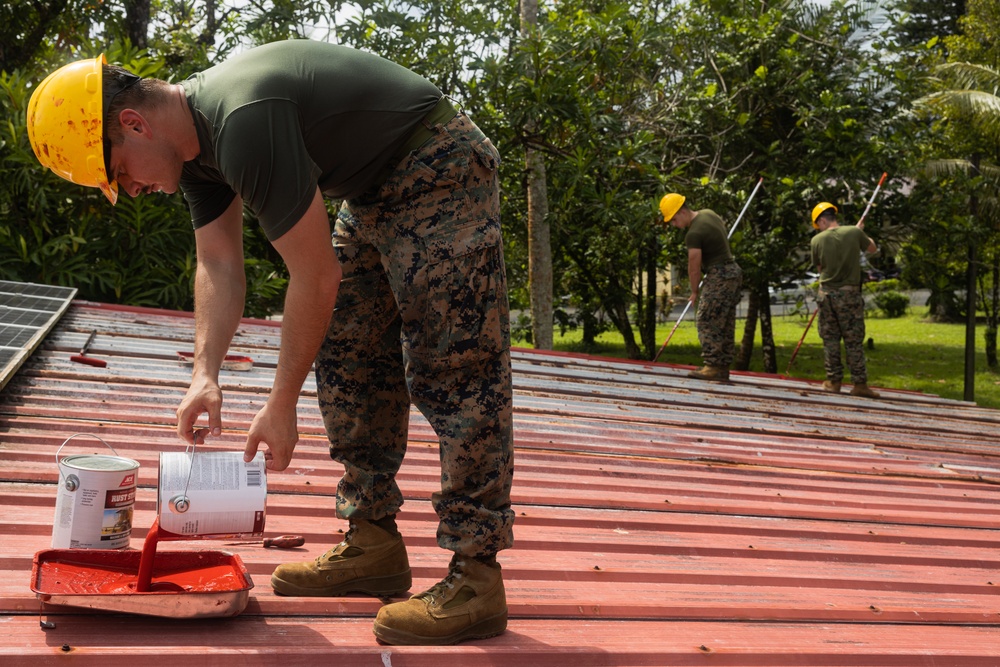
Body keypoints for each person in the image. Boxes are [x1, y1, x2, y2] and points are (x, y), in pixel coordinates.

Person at [28, 39, 515, 646]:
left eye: (120, 171)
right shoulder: (195, 152)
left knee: (454, 367)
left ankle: (476, 575)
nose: (129, 188)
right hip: (371, 191)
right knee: (348, 355)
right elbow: (218, 264)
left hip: (436, 164)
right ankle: (374, 542)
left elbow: (315, 275)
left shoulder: (242, 122)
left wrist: (280, 402)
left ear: (134, 123)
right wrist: (205, 374)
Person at [659, 193, 743, 381]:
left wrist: (695, 291)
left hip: (719, 274)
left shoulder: (693, 234)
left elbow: (694, 266)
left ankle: (713, 365)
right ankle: (722, 366)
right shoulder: (709, 214)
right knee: (725, 320)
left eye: (674, 220)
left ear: (681, 211)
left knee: (706, 318)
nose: (674, 225)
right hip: (733, 272)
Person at [809, 202, 879, 399]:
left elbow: (820, 268)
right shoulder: (853, 233)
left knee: (830, 339)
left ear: (822, 220)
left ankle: (833, 382)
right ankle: (859, 384)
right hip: (849, 295)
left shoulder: (816, 240)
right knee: (853, 339)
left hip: (827, 295)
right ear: (833, 216)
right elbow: (872, 249)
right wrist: (860, 233)